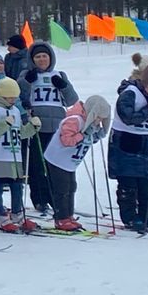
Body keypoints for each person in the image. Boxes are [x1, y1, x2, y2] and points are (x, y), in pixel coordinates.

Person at [111, 54, 148, 232]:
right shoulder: (130, 93)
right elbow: (128, 117)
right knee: (129, 183)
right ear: (145, 83)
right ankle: (130, 217)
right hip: (126, 143)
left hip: (147, 143)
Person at [18, 41, 77, 217]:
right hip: (36, 125)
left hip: (57, 126)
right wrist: (27, 82)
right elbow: (18, 95)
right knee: (37, 165)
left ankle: (55, 197)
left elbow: (72, 100)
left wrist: (63, 86)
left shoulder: (59, 74)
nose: (42, 59)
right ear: (32, 59)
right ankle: (39, 198)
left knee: (54, 164)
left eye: (45, 56)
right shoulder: (26, 74)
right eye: (38, 57)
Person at [47, 95, 111, 232]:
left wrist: (94, 137)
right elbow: (66, 141)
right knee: (62, 189)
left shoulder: (90, 124)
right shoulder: (74, 121)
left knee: (71, 187)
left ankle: (68, 215)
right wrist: (83, 134)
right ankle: (61, 218)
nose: (99, 121)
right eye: (98, 117)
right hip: (58, 160)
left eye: (102, 119)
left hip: (69, 163)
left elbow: (86, 141)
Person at [0, 77, 35, 232]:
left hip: (13, 156)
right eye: (8, 97)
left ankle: (18, 213)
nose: (11, 100)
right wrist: (5, 123)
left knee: (17, 185)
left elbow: (20, 133)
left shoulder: (15, 110)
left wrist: (32, 127)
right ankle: (1, 217)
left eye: (14, 97)